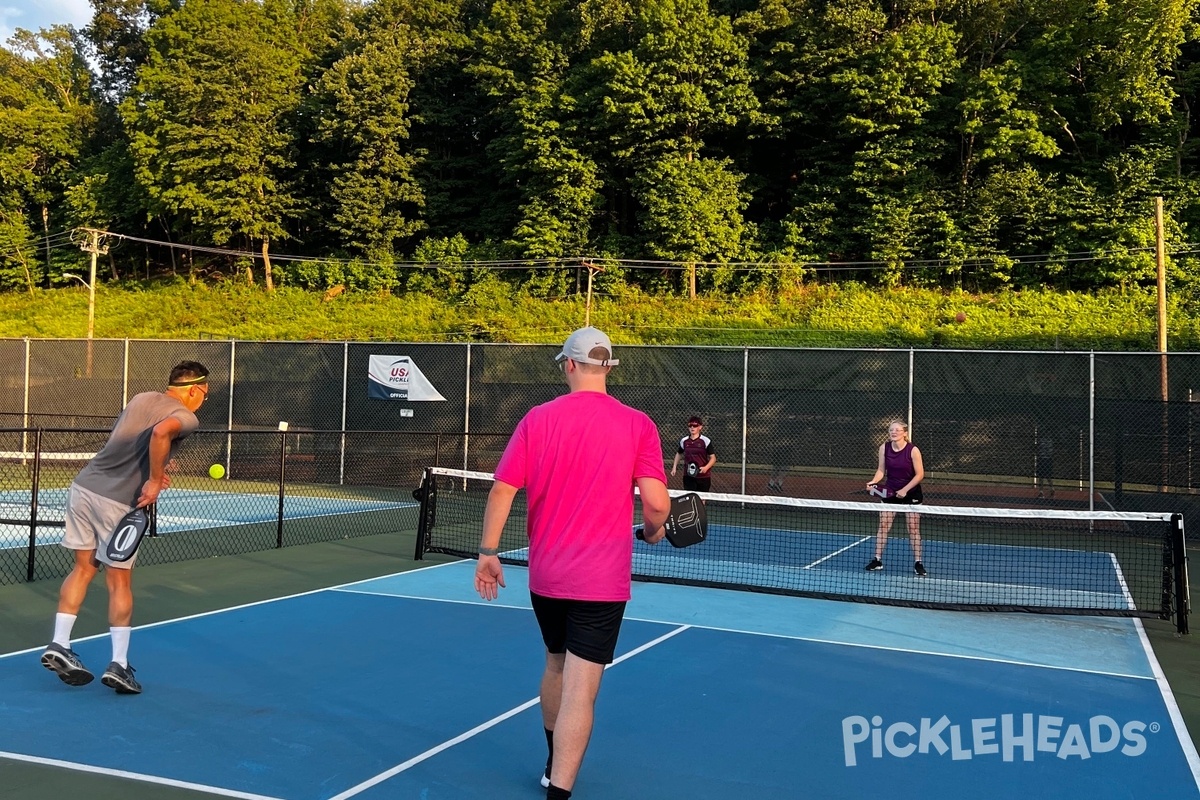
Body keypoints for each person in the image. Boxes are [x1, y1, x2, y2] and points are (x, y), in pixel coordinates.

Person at [473, 327, 670, 800]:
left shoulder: (537, 419)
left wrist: (487, 553)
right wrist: (653, 530)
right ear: (607, 367)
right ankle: (558, 791)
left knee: (555, 664)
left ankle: (549, 761)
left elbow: (503, 489)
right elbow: (658, 505)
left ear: (569, 365)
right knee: (582, 689)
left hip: (547, 577)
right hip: (601, 581)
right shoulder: (638, 424)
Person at [40, 361, 210, 695]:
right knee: (119, 580)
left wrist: (158, 467)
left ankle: (59, 644)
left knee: (82, 568)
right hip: (117, 502)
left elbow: (131, 439)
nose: (204, 399)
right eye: (204, 392)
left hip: (84, 487)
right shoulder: (187, 417)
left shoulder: (141, 398)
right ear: (194, 389)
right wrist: (153, 477)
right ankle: (119, 665)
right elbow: (161, 433)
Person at [864, 419, 926, 576]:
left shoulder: (913, 450)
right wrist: (873, 481)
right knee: (884, 525)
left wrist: (905, 490)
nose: (894, 432)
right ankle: (877, 560)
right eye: (891, 430)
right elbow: (881, 470)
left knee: (913, 528)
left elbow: (920, 475)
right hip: (890, 492)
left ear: (905, 433)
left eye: (897, 430)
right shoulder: (884, 448)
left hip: (911, 492)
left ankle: (918, 562)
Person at [671, 416, 716, 492]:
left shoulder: (705, 441)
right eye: (690, 426)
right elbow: (679, 453)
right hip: (688, 475)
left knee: (702, 499)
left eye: (695, 426)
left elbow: (713, 458)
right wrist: (674, 467)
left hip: (703, 477)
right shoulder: (684, 441)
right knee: (690, 497)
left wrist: (706, 468)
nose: (692, 428)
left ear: (700, 427)